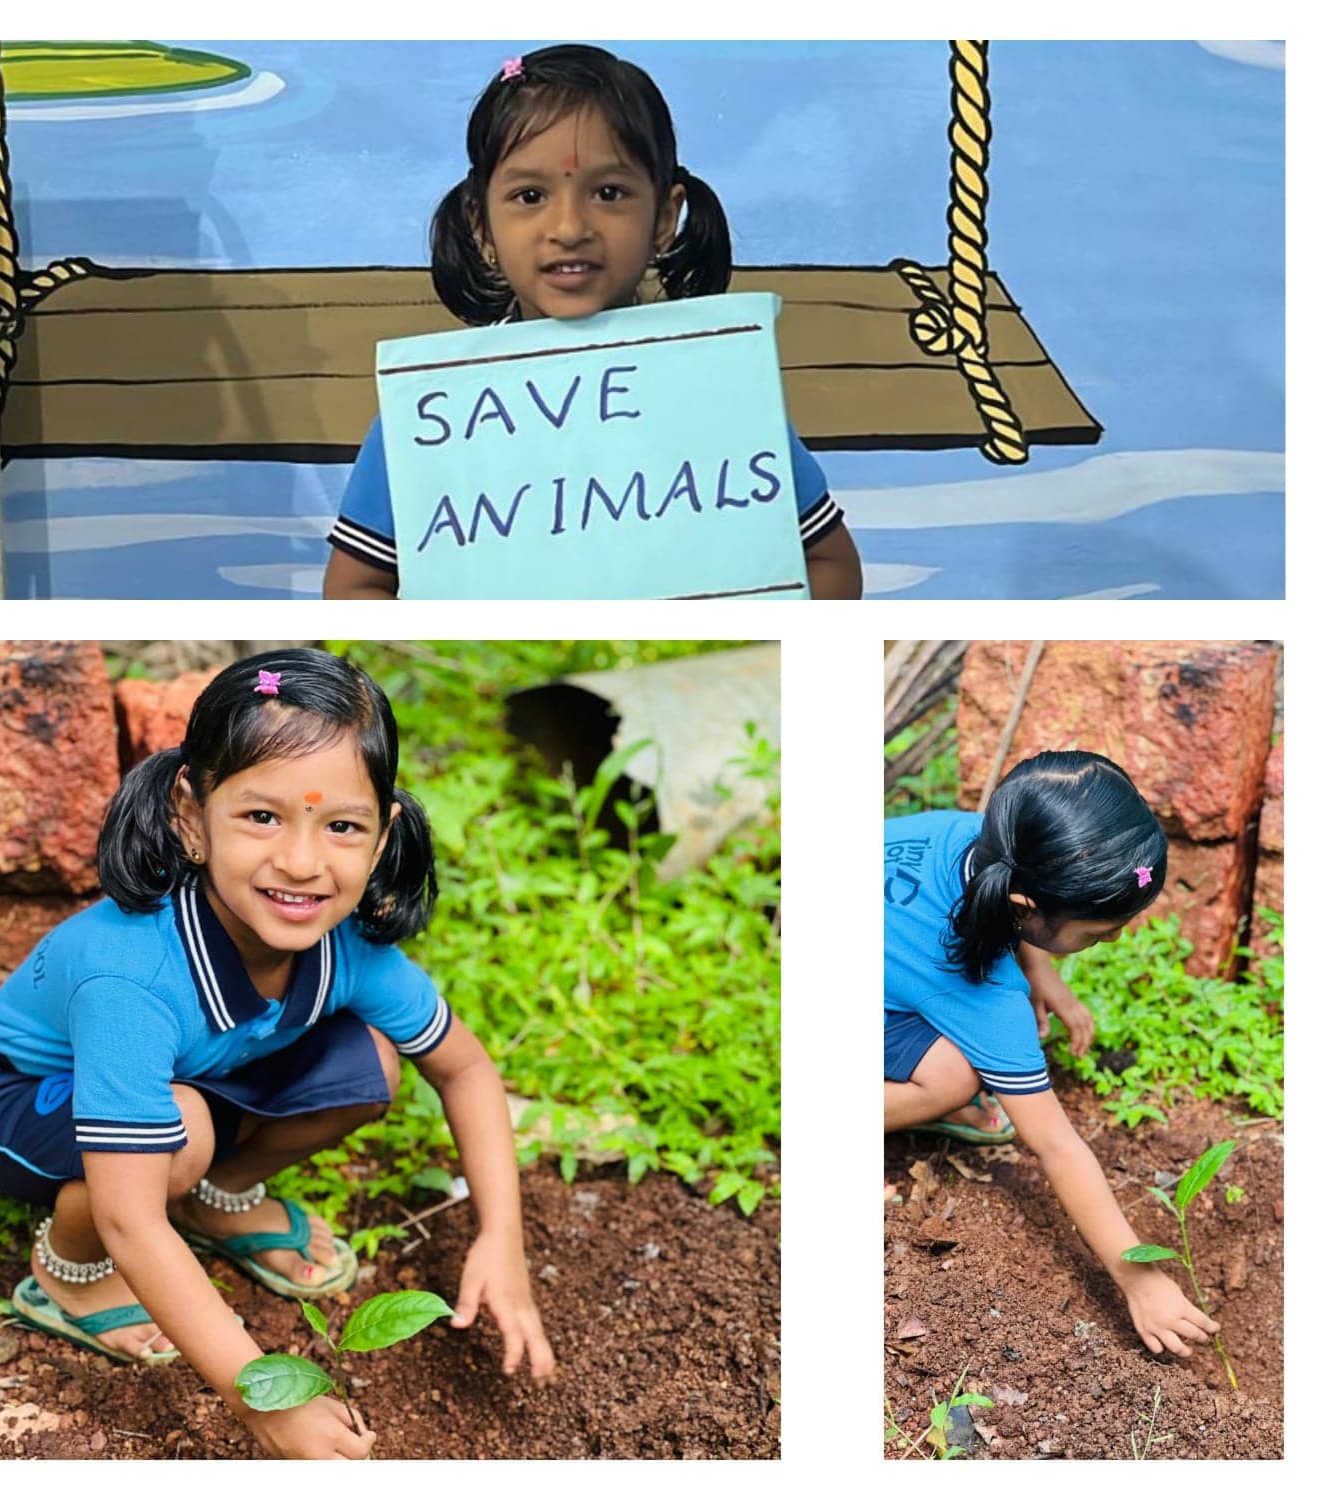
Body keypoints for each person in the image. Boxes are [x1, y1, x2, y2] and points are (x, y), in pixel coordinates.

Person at [0, 648, 555, 1459]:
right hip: (25, 1101)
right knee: (179, 1132)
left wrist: (501, 1240)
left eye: (342, 825)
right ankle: (67, 1272)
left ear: (384, 839)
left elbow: (466, 1068)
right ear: (190, 816)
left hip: (191, 1079)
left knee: (369, 1065)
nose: (303, 864)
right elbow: (129, 1219)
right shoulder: (127, 976)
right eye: (262, 817)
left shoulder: (350, 948)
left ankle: (213, 1197)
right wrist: (265, 1401)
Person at [324, 43, 862, 600]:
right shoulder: (433, 418)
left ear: (663, 216)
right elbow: (356, 586)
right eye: (530, 195)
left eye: (609, 193)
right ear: (481, 224)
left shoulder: (720, 394)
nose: (570, 226)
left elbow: (829, 562)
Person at [883, 750, 1222, 1362]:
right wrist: (1138, 1278)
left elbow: (1008, 913)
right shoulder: (983, 1000)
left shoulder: (984, 840)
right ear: (1025, 909)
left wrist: (1048, 978)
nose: (1115, 937)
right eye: (1097, 933)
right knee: (955, 1076)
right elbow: (1056, 1146)